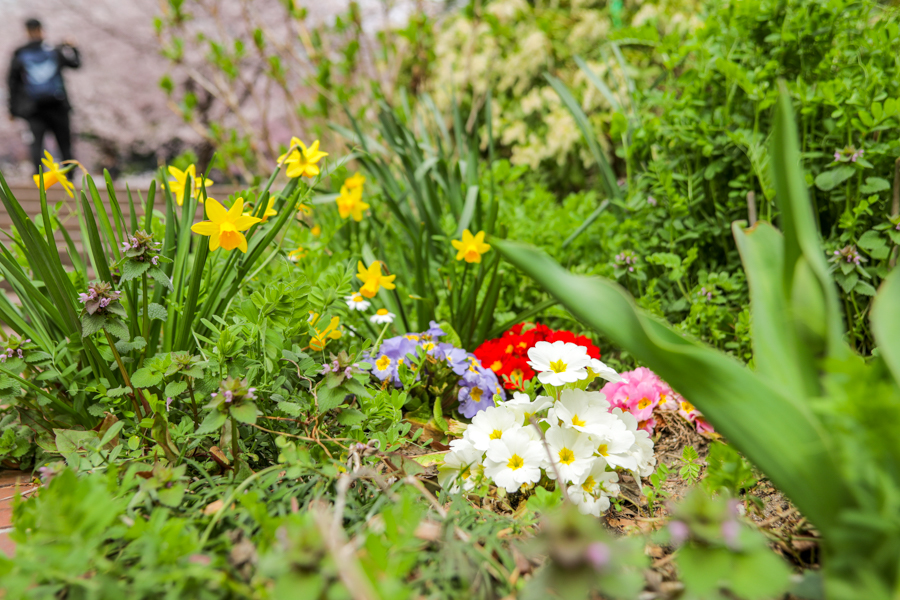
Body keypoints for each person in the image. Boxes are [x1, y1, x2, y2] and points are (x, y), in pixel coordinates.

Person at [6, 18, 81, 174]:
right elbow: (76, 64)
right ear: (41, 30)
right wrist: (73, 47)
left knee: (36, 145)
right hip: (57, 105)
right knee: (64, 144)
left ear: (26, 31)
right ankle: (70, 181)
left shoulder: (20, 54)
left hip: (33, 108)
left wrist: (12, 110)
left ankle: (39, 182)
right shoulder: (53, 50)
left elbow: (12, 83)